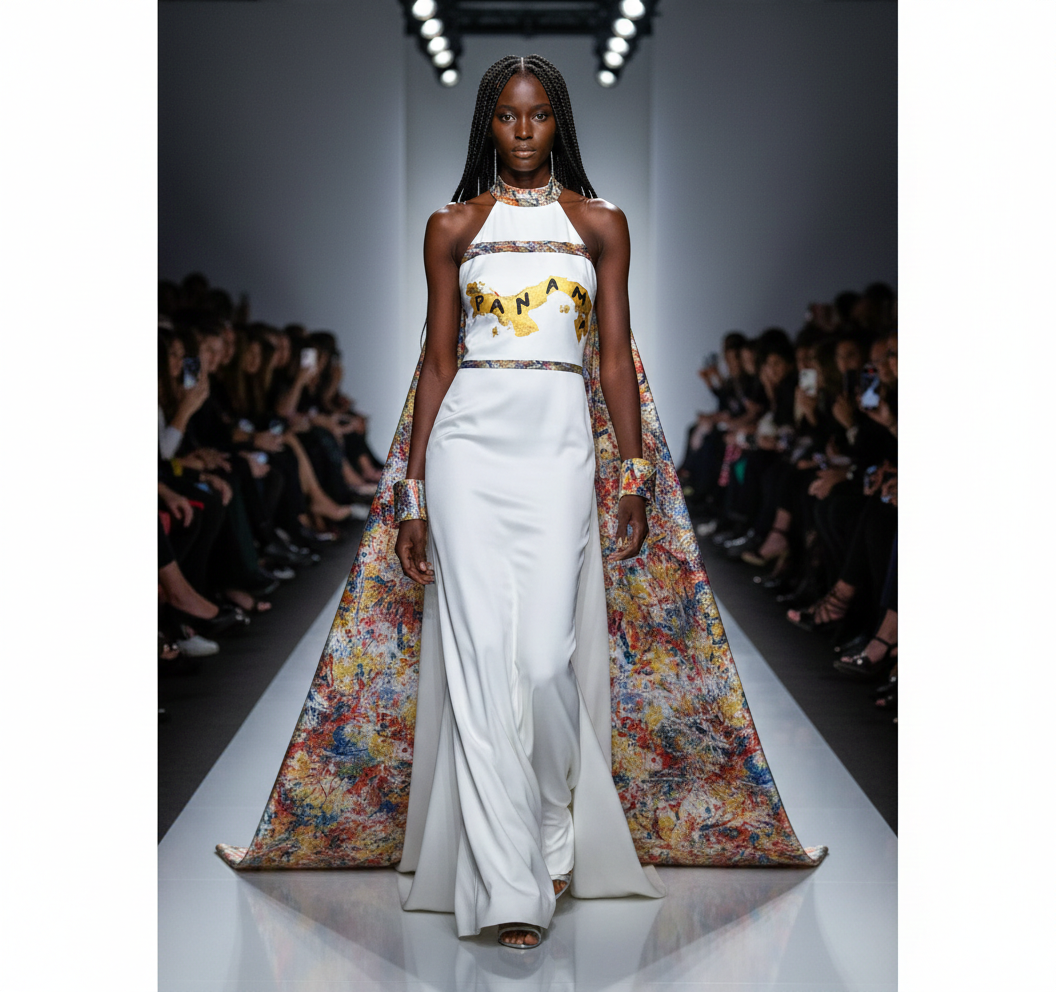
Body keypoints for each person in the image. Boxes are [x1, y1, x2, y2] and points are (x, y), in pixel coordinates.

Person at [217, 54, 824, 949]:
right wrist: (413, 495)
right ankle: (510, 886)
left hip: (559, 452)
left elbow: (612, 357)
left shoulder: (601, 223)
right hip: (467, 449)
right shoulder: (452, 226)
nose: (525, 131)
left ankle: (552, 827)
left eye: (539, 115)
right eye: (508, 115)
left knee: (542, 662)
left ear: (560, 121)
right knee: (478, 664)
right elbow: (437, 362)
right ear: (488, 124)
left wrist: (632, 476)